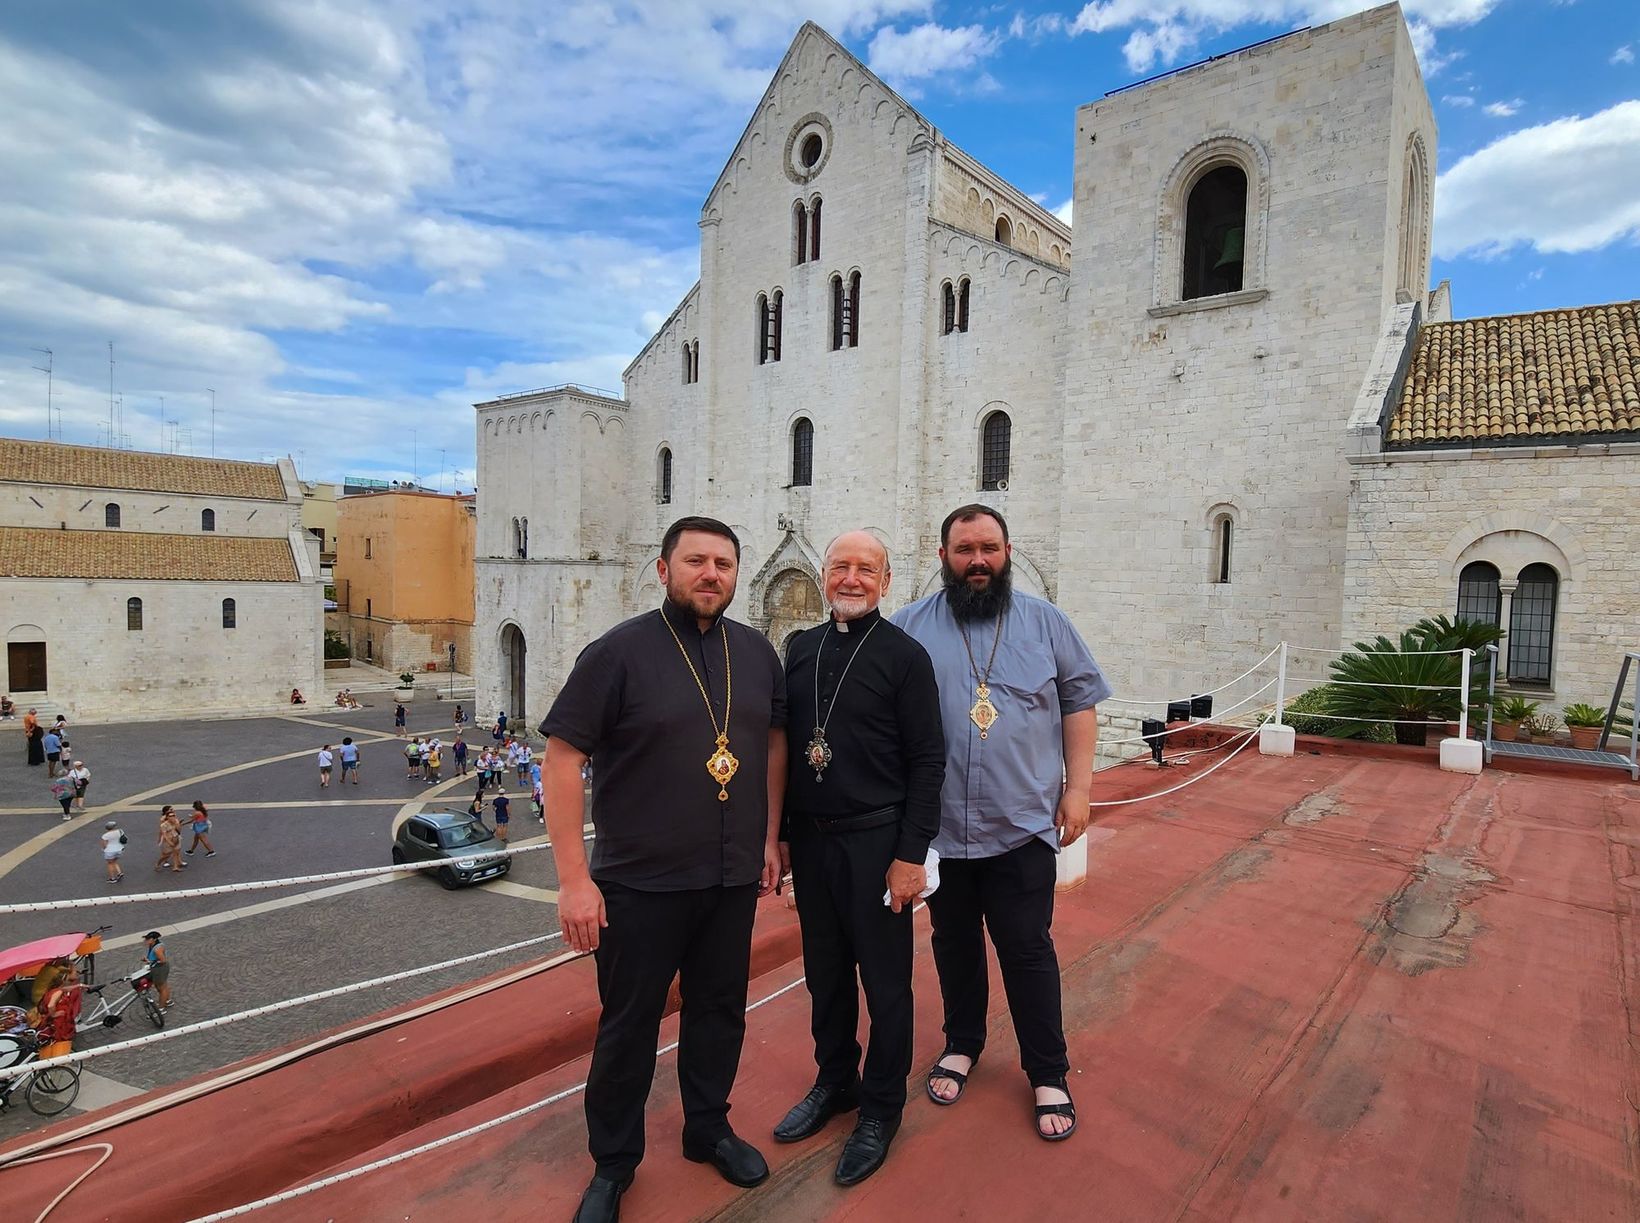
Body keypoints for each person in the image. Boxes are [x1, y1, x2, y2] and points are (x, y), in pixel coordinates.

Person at [542, 516, 787, 1223]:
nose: (711, 574)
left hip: (731, 877)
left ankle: (706, 1126)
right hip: (638, 883)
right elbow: (562, 760)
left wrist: (770, 836)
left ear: (737, 575)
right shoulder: (616, 653)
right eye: (696, 561)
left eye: (723, 563)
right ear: (663, 569)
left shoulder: (757, 653)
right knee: (629, 1027)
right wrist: (572, 878)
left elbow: (771, 743)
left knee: (719, 1013)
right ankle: (613, 1164)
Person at [892, 504, 1110, 1142]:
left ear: (1007, 552)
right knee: (953, 946)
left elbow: (1080, 702)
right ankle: (963, 1042)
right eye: (964, 550)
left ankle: (1048, 1070)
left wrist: (1080, 790)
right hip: (940, 832)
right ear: (943, 559)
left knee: (1027, 950)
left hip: (1020, 826)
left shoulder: (1047, 623)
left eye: (988, 548)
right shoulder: (908, 631)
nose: (977, 561)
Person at [774, 531, 946, 1185]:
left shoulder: (905, 656)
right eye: (841, 566)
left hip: (879, 843)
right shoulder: (801, 648)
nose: (851, 578)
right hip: (815, 842)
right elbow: (793, 748)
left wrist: (911, 856)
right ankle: (835, 1081)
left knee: (885, 982)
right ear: (823, 575)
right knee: (825, 974)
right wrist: (786, 834)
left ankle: (880, 1106)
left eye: (865, 568)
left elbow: (929, 760)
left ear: (886, 579)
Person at [35, 964, 83, 1059]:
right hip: (60, 1021)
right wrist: (54, 1014)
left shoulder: (54, 990)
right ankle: (58, 1057)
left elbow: (65, 989)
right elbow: (51, 1005)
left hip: (59, 1019)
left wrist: (80, 985)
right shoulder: (58, 992)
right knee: (60, 1039)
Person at [141, 932, 173, 1009]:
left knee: (161, 988)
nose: (146, 940)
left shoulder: (157, 949)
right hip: (158, 968)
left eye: (148, 939)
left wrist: (150, 962)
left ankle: (161, 1008)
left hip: (160, 968)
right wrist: (148, 960)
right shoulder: (153, 945)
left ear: (154, 939)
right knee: (162, 986)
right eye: (146, 938)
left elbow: (162, 960)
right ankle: (168, 1000)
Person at [156, 806, 186, 873]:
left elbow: (179, 830)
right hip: (168, 840)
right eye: (171, 816)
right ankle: (159, 863)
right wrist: (169, 842)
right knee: (166, 854)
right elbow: (164, 833)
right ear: (167, 817)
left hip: (176, 838)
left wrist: (178, 824)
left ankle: (176, 866)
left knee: (176, 852)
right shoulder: (163, 823)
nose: (173, 816)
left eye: (173, 815)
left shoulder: (176, 821)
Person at [101, 819, 127, 884]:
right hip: (120, 849)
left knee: (110, 864)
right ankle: (119, 872)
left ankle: (112, 878)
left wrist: (104, 849)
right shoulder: (120, 831)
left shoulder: (105, 835)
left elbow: (104, 845)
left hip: (110, 851)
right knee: (114, 861)